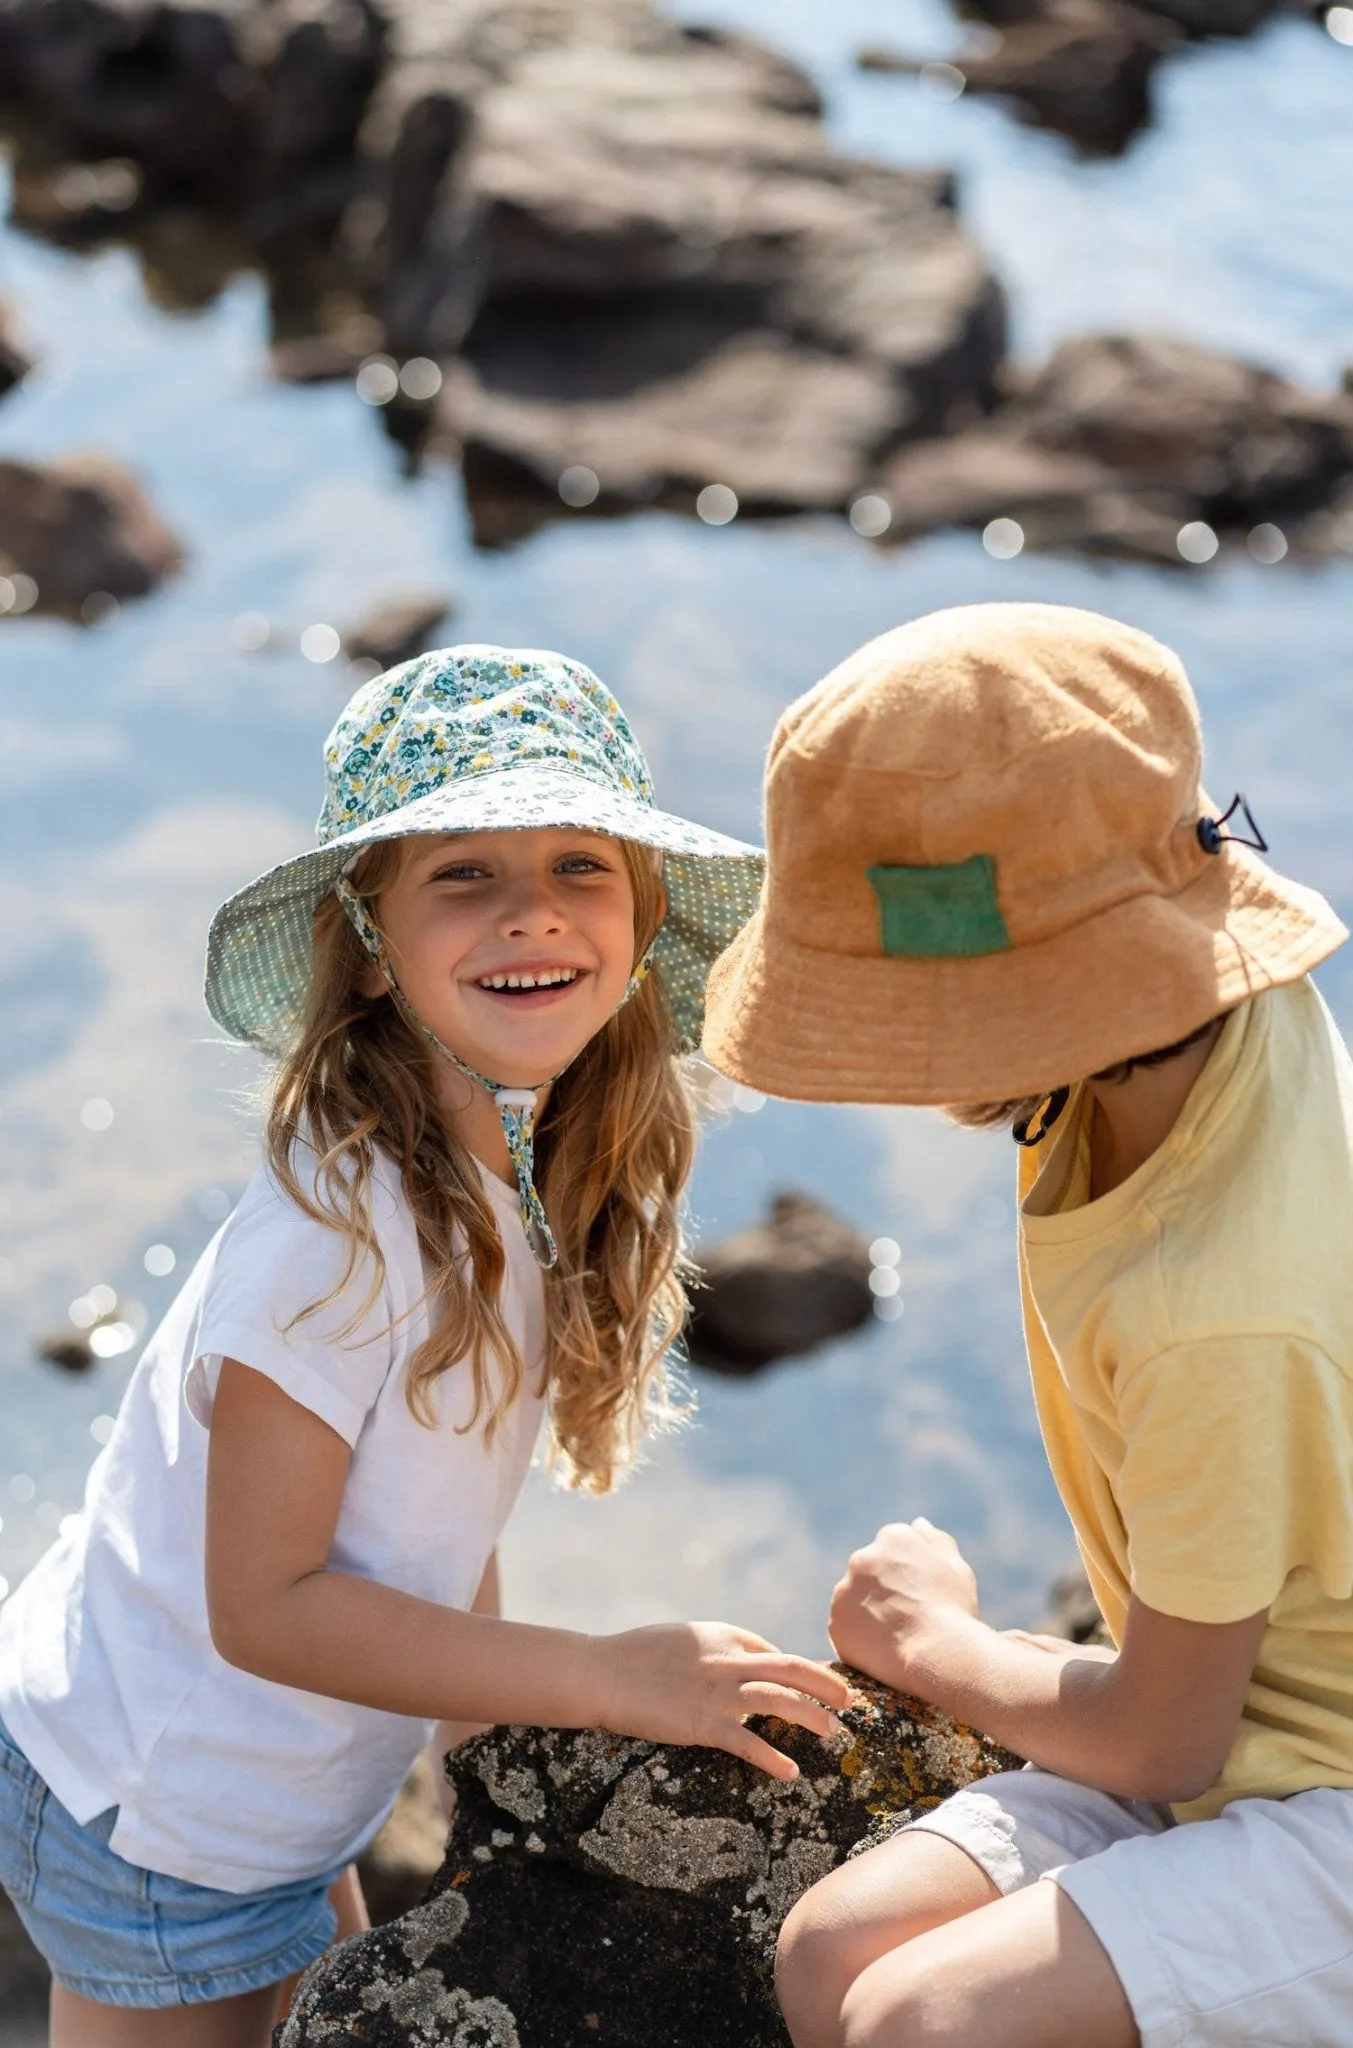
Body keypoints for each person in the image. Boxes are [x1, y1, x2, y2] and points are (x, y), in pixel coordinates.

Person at [0, 645, 849, 2046]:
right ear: (373, 941)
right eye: (465, 873)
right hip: (162, 1810)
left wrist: (486, 1755)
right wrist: (600, 1676)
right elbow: (263, 1607)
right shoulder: (335, 1239)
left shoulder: (519, 1157)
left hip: (269, 1780)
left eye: (581, 864)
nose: (532, 914)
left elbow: (431, 1515)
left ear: (639, 918)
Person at [701, 602, 1353, 2048]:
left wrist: (937, 1638)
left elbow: (1156, 1736)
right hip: (1256, 1713)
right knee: (831, 1960)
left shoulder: (1215, 1302)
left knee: (923, 2021)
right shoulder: (1185, 1015)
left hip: (1308, 1772)